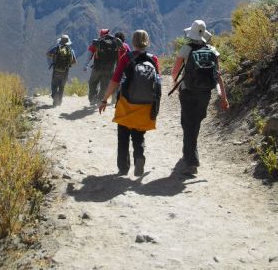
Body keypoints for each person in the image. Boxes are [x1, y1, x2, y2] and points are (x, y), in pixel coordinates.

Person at [99, 30, 161, 177]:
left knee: (123, 136)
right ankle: (139, 158)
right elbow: (157, 84)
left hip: (126, 103)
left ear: (133, 42)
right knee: (139, 135)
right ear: (147, 42)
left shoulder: (126, 57)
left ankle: (123, 168)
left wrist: (104, 99)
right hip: (145, 105)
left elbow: (115, 80)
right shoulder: (154, 59)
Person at [171, 20, 229, 176]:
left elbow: (175, 71)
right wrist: (224, 97)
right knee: (194, 123)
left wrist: (175, 83)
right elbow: (218, 76)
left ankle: (191, 162)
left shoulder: (186, 49)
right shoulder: (212, 50)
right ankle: (188, 154)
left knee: (188, 124)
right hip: (205, 92)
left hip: (188, 91)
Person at [84, 29, 123, 106]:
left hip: (97, 68)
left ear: (101, 34)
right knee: (104, 86)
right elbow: (119, 56)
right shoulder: (115, 43)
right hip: (110, 69)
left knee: (93, 82)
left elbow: (89, 54)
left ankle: (92, 98)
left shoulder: (97, 42)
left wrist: (86, 65)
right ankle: (99, 99)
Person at [47, 34, 76, 107]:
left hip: (56, 70)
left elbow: (48, 53)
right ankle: (59, 101)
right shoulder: (70, 50)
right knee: (62, 86)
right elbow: (74, 62)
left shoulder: (56, 48)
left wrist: (54, 56)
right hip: (65, 71)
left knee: (54, 85)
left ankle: (55, 97)